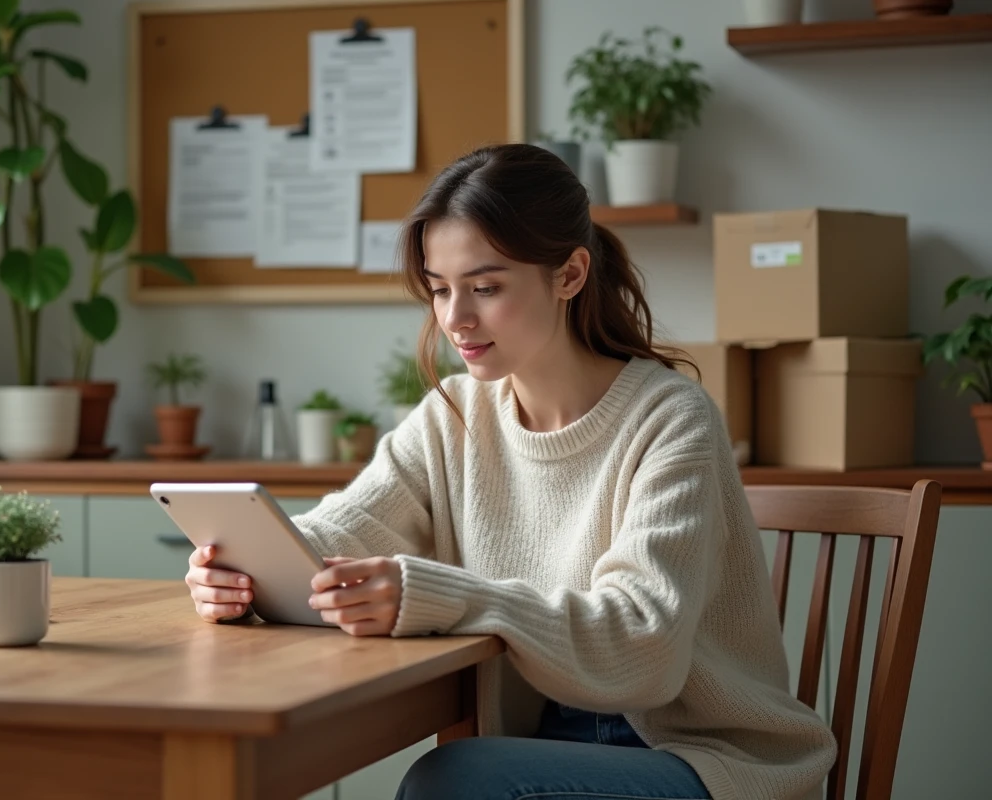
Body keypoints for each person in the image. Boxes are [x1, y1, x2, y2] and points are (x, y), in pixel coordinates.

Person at [185, 143, 836, 800]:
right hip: (550, 745)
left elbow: (643, 650)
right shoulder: (458, 415)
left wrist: (458, 596)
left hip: (704, 759)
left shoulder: (671, 418)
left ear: (570, 275)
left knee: (455, 781)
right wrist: (246, 566)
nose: (455, 319)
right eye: (440, 289)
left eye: (486, 288)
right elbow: (347, 528)